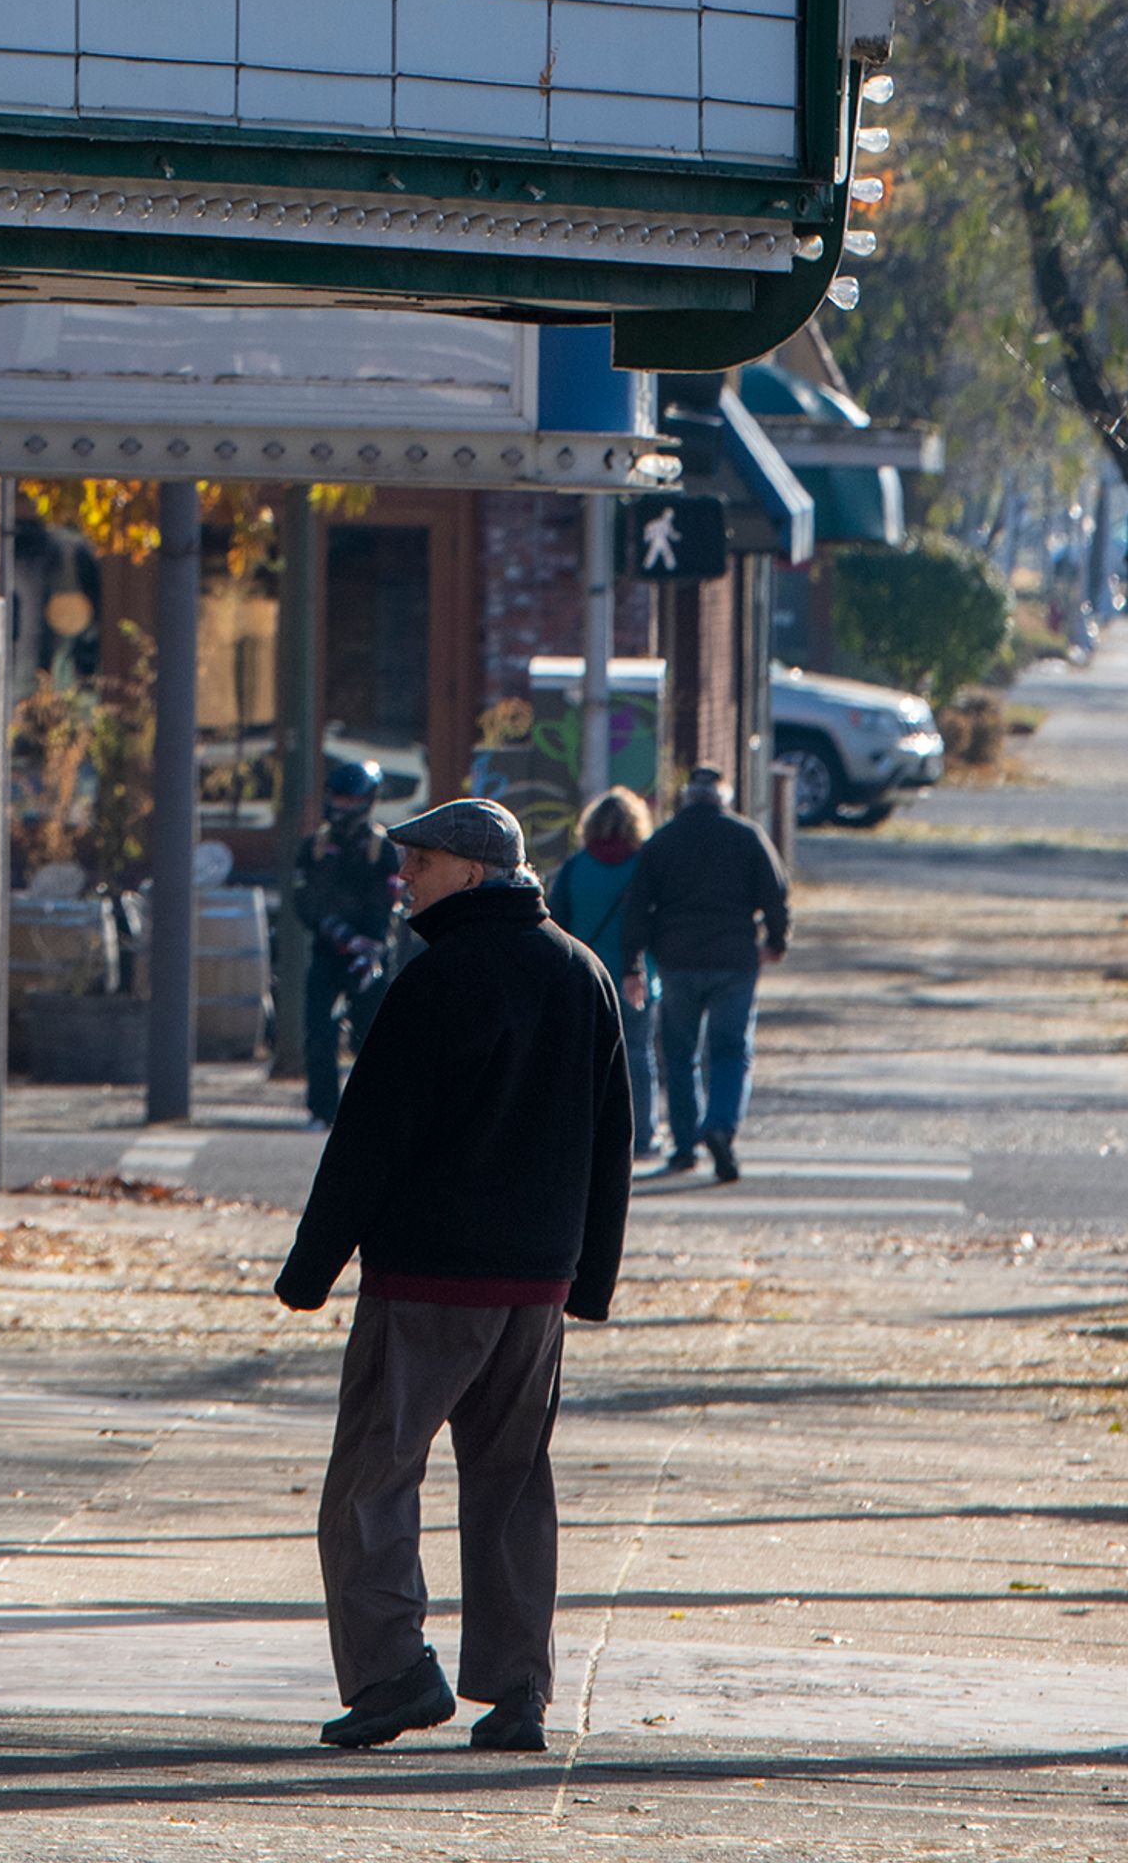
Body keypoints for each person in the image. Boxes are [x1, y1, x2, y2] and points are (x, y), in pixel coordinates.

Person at [274, 790, 634, 1761]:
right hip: (536, 1290)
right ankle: (517, 1689)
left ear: (474, 872)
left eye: (421, 864)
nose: (404, 879)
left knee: (370, 1482)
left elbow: (367, 1145)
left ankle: (394, 1672)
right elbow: (613, 1145)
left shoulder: (433, 982)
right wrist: (587, 1278)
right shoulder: (584, 975)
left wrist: (311, 1268)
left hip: (428, 1282)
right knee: (514, 1484)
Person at [622, 754, 790, 1182]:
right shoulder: (747, 836)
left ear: (686, 799)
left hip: (677, 960)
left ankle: (683, 1147)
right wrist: (775, 941)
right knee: (731, 1049)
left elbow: (638, 906)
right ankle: (719, 1125)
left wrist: (632, 963)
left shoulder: (662, 841)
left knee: (679, 1055)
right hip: (734, 957)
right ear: (724, 797)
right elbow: (775, 892)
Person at [545, 785, 660, 1157]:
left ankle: (588, 1134)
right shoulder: (644, 866)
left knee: (587, 1059)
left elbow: (555, 921)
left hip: (585, 977)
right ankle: (642, 1135)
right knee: (639, 1055)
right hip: (637, 976)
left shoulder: (576, 867)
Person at [288, 759, 402, 1125]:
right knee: (319, 1033)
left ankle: (372, 1113)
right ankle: (322, 1110)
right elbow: (305, 902)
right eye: (339, 799)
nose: (344, 809)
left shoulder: (383, 849)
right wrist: (336, 932)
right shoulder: (314, 847)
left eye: (352, 801)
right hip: (327, 953)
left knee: (374, 1038)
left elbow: (386, 904)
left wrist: (366, 944)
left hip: (371, 956)